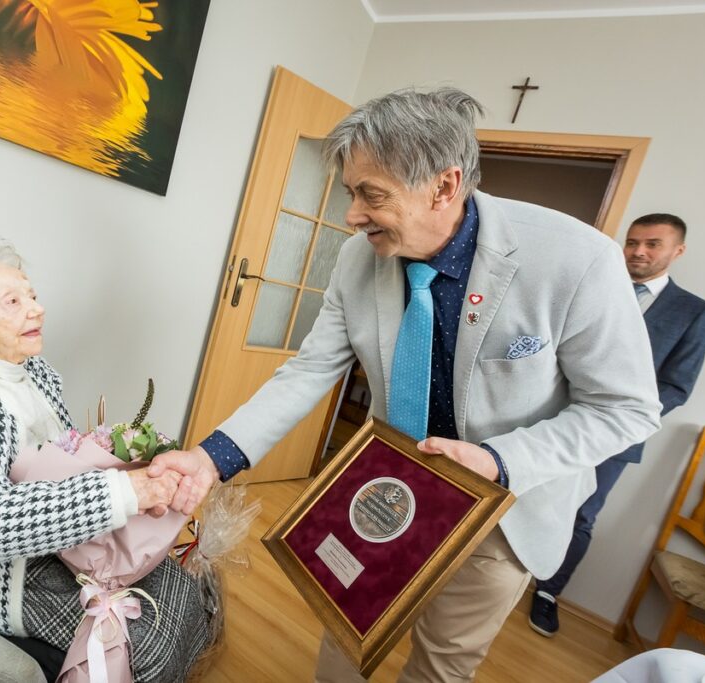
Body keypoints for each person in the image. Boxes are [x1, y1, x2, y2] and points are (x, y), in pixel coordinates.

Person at [149, 87, 662, 681]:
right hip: (387, 490)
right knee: (345, 629)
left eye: (372, 195)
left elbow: (626, 410)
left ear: (444, 187)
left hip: (506, 506)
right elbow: (310, 369)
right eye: (351, 193)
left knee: (443, 663)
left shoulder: (577, 259)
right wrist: (212, 459)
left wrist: (498, 459)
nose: (353, 215)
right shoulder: (356, 260)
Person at [0, 237, 209, 682]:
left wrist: (123, 464)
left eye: (31, 295)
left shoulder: (38, 376)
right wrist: (130, 491)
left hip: (51, 541)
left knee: (184, 590)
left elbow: (58, 462)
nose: (37, 309)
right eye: (13, 301)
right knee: (144, 633)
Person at [529, 214, 705, 637]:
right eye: (632, 242)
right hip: (549, 418)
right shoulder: (592, 282)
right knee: (522, 492)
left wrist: (617, 418)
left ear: (677, 251)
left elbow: (677, 385)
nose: (639, 252)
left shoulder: (695, 311)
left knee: (582, 515)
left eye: (653, 244)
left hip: (615, 438)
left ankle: (547, 592)